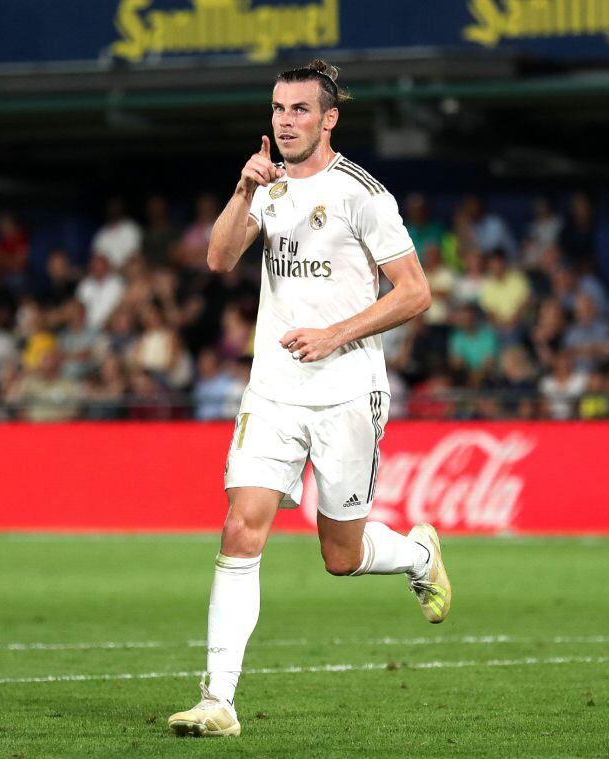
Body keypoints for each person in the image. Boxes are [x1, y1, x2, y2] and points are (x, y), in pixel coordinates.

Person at [167, 59, 448, 739]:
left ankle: (418, 555)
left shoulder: (363, 194)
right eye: (276, 109)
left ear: (328, 120)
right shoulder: (265, 185)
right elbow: (217, 259)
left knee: (340, 556)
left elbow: (414, 292)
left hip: (348, 390)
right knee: (241, 524)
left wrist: (335, 334)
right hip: (274, 388)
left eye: (299, 110)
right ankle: (219, 699)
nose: (284, 122)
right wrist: (241, 190)